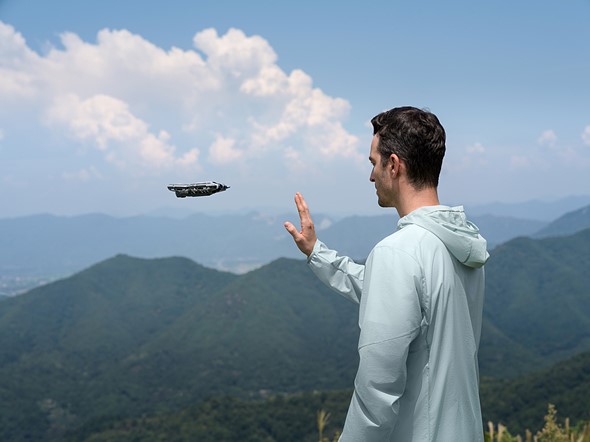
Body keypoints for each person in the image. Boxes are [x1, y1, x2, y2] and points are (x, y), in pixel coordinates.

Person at [284, 106, 489, 441]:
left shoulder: (399, 252)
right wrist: (316, 252)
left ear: (393, 165)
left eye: (373, 163)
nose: (370, 175)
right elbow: (387, 292)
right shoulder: (461, 244)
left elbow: (376, 394)